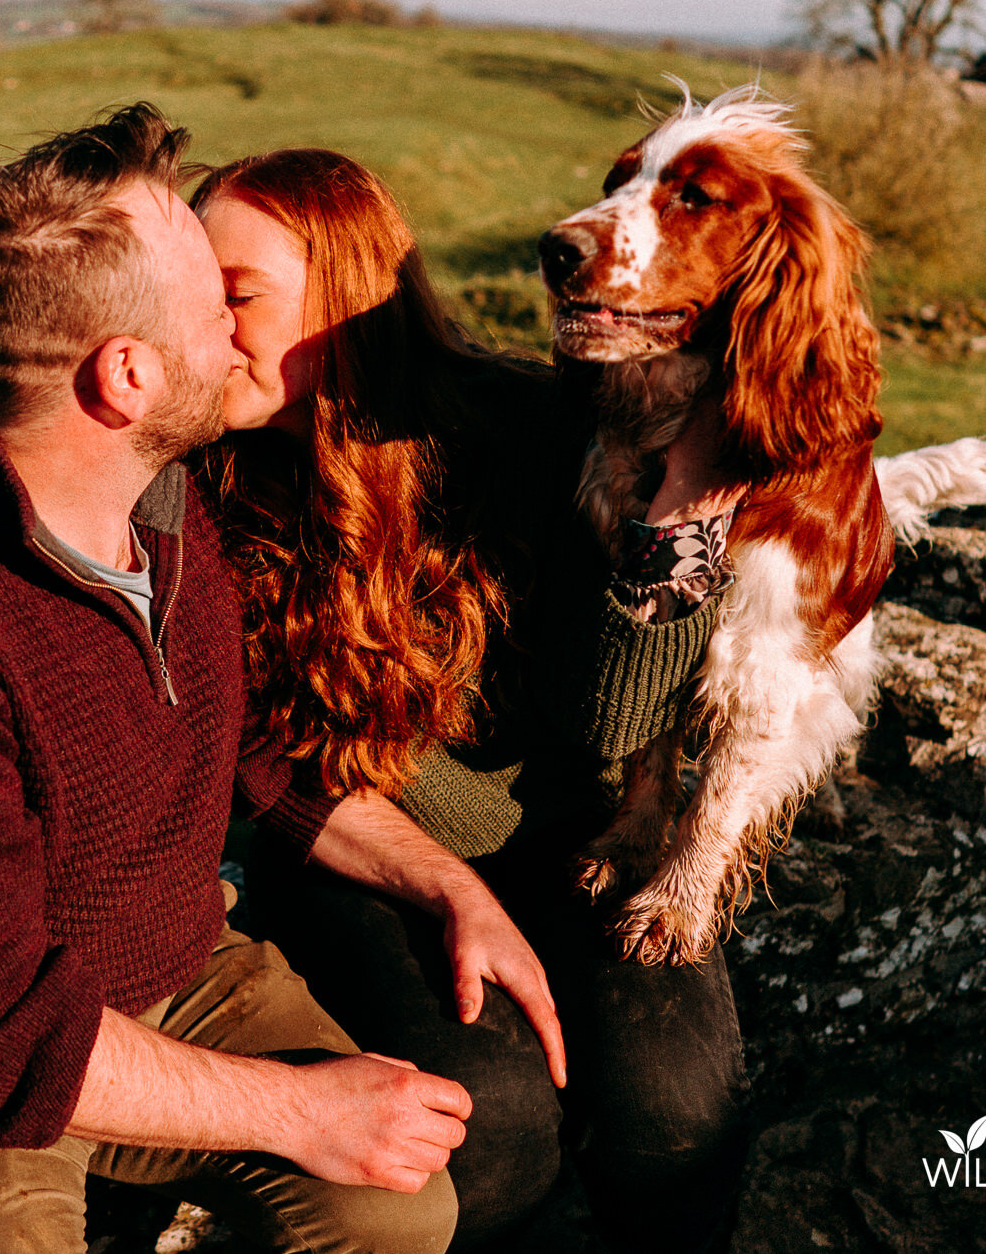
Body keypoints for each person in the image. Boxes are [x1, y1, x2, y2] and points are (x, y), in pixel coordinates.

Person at [0, 105, 566, 1254]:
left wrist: (444, 885)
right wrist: (295, 1108)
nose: (239, 347)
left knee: (399, 1203)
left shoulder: (174, 522)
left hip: (178, 980)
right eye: (210, 313)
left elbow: (252, 758)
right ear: (125, 375)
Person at [192, 149, 752, 1253]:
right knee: (486, 1135)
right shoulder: (197, 482)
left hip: (577, 832)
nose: (199, 330)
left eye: (236, 296)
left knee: (678, 1115)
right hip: (362, 855)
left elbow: (610, 729)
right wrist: (451, 888)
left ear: (345, 301)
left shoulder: (528, 434)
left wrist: (676, 517)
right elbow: (257, 759)